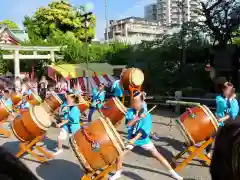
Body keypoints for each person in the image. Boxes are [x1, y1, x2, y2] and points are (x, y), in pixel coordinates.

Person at [109, 92, 183, 180]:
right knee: (120, 154)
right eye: (133, 101)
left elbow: (143, 131)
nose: (134, 104)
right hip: (131, 138)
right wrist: (137, 118)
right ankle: (118, 172)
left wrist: (134, 139)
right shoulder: (130, 111)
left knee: (157, 155)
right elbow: (128, 125)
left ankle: (173, 173)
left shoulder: (147, 115)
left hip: (143, 140)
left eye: (136, 101)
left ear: (141, 102)